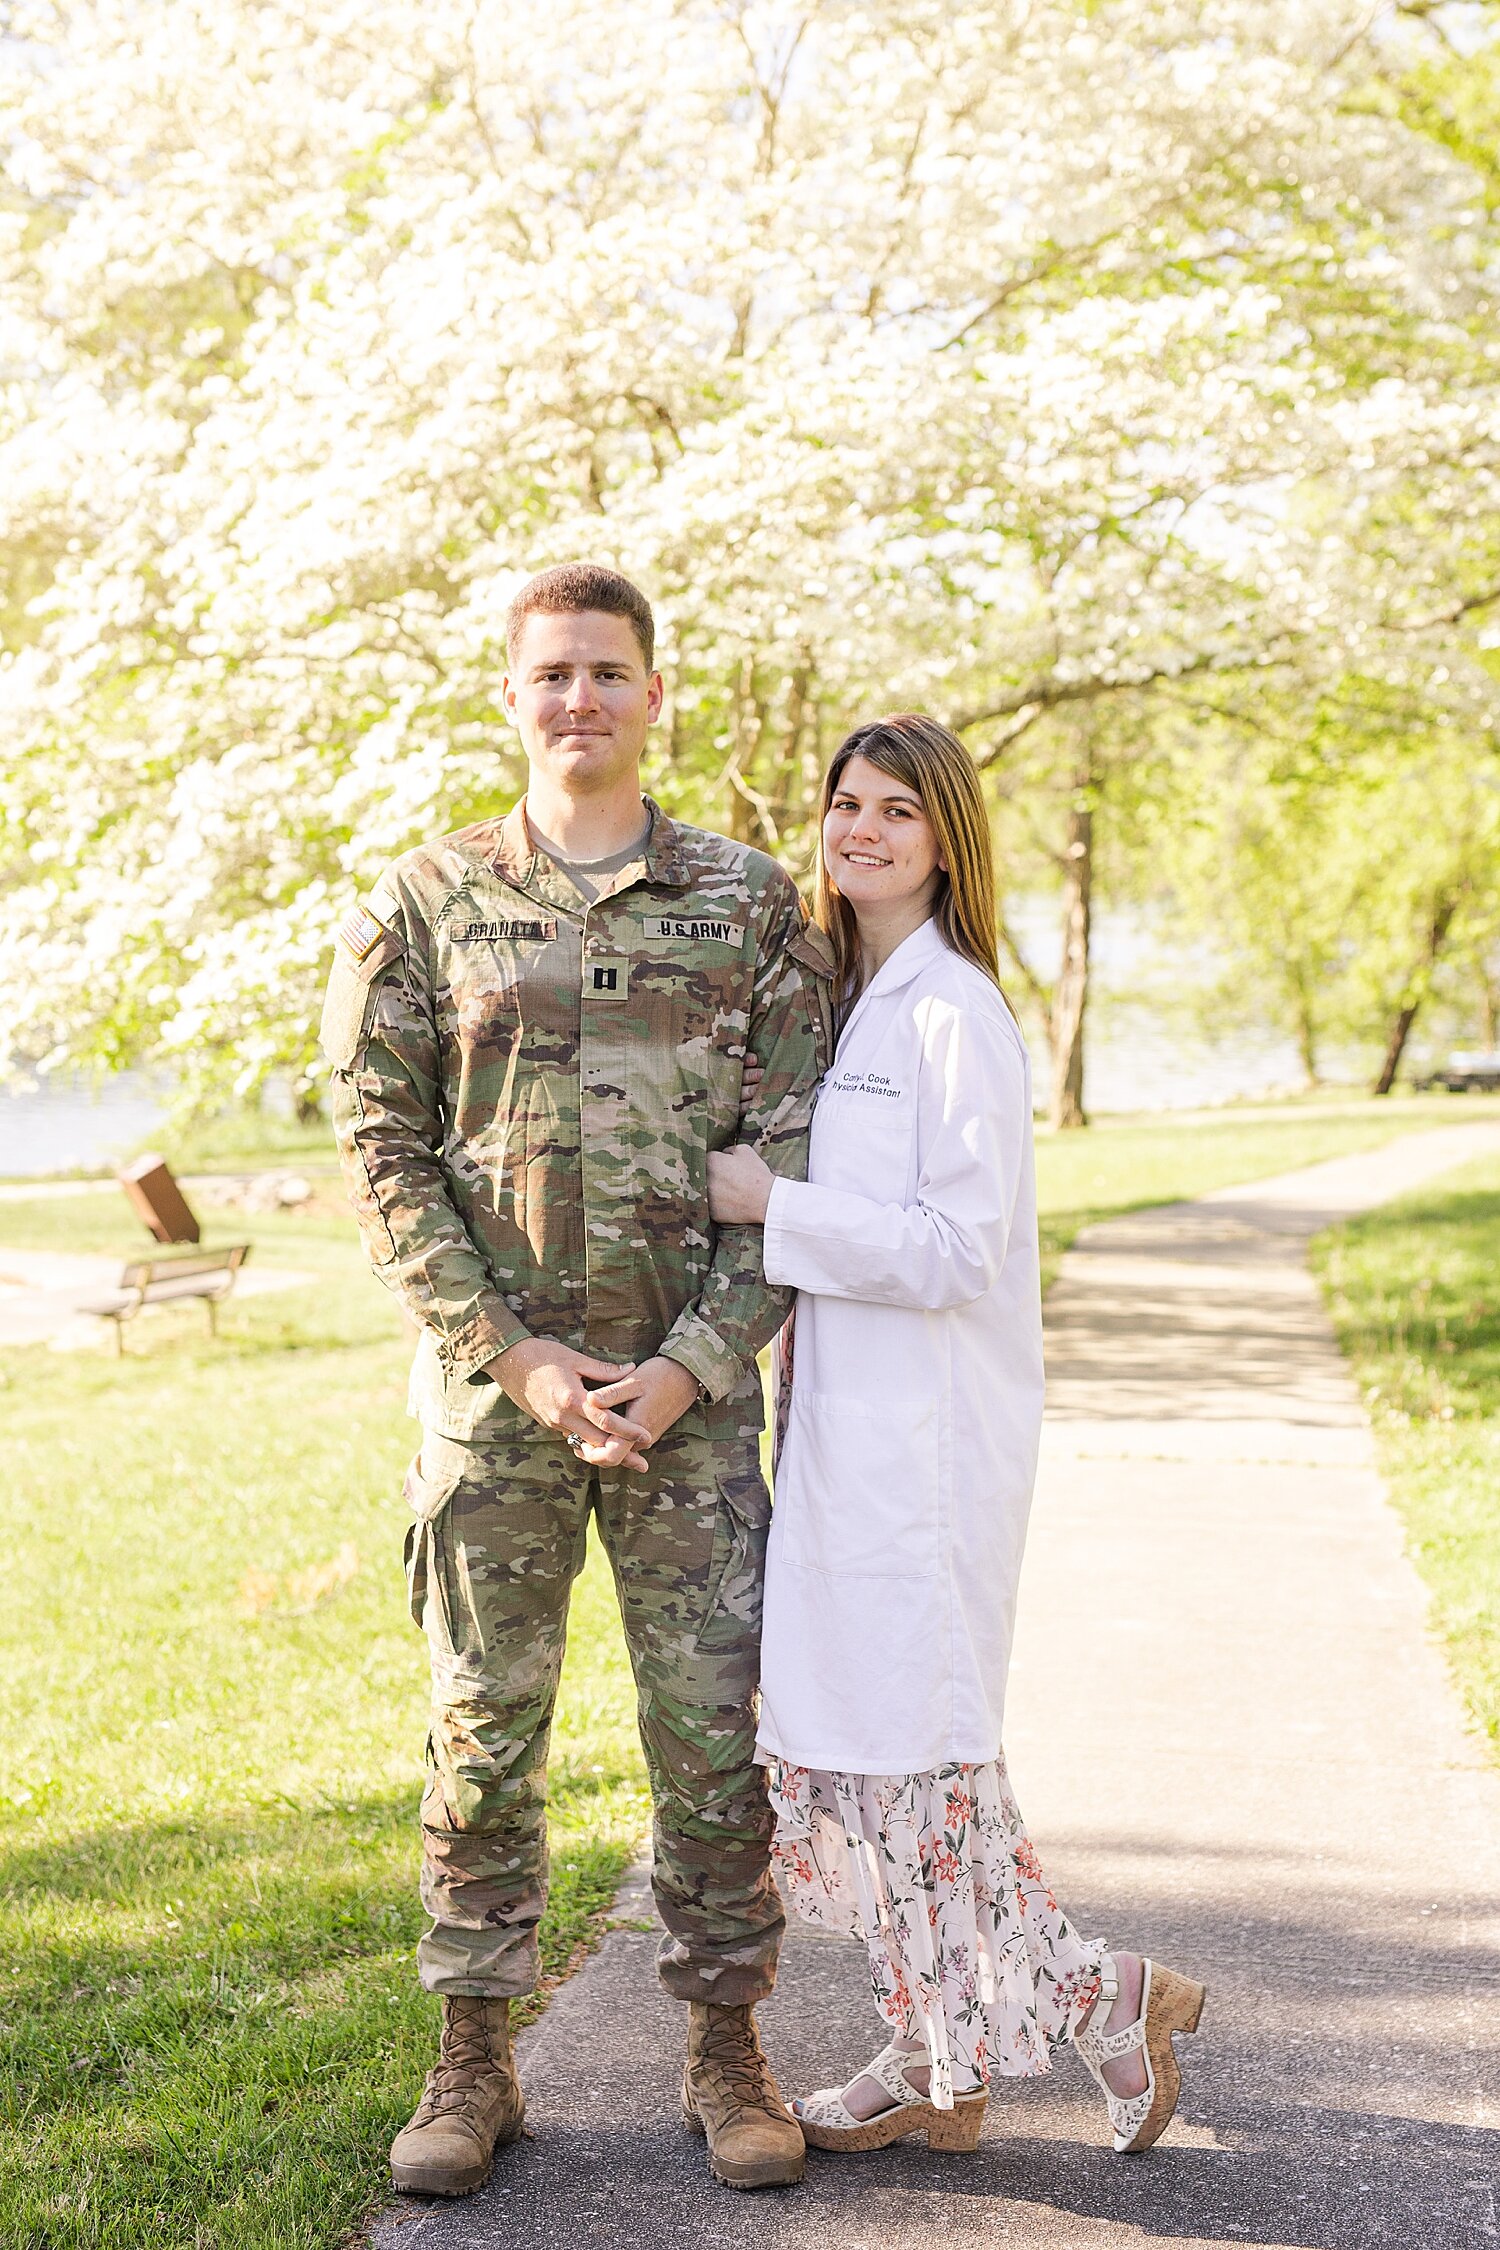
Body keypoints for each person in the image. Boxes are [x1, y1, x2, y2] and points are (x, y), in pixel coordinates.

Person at [322, 563, 834, 2198]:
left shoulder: (750, 905)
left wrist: (690, 1367)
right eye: (552, 676)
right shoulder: (426, 901)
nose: (581, 702)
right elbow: (383, 1154)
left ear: (653, 693)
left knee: (710, 1736)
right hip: (496, 1407)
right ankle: (475, 2063)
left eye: (608, 673)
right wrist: (519, 1355)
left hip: (693, 1412)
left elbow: (802, 1153)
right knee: (482, 1734)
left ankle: (725, 2045)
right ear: (512, 697)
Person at [707, 714, 1206, 2156]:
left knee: (911, 1763)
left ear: (947, 840)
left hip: (923, 1469)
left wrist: (770, 1207)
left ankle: (1091, 2000)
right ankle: (947, 2053)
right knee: (852, 1759)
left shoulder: (953, 1013)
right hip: (845, 1446)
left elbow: (959, 1247)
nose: (859, 829)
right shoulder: (857, 1000)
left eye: (895, 812)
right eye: (843, 804)